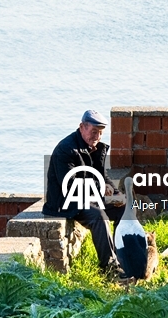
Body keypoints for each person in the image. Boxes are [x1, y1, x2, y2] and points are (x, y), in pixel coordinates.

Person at [43, 109, 127, 278]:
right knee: (99, 216)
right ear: (82, 127)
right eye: (94, 132)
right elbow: (69, 184)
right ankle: (109, 269)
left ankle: (122, 260)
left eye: (101, 133)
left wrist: (117, 194)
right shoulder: (66, 150)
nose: (97, 137)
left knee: (123, 210)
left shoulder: (93, 147)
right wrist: (98, 187)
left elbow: (103, 177)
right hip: (65, 202)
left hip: (87, 197)